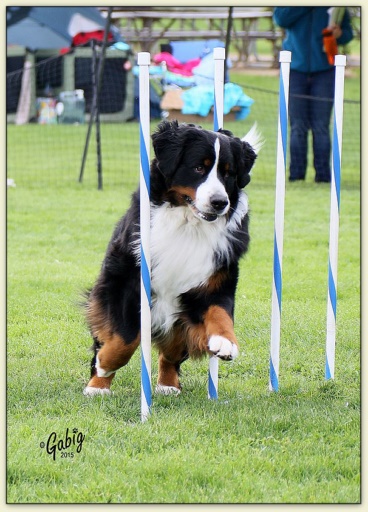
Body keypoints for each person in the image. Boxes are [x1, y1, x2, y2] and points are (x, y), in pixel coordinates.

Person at [273, 8, 354, 182]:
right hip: (294, 69)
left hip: (325, 71)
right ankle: (296, 176)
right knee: (297, 127)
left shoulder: (336, 6)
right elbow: (280, 19)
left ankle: (323, 177)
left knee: (321, 127)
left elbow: (348, 33)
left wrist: (340, 34)